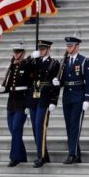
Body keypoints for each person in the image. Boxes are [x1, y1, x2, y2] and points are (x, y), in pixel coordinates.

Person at [0, 43, 33, 167]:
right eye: (15, 52)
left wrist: (29, 104)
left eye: (18, 52)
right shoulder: (12, 66)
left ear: (23, 53)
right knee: (13, 129)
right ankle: (22, 155)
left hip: (22, 102)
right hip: (11, 102)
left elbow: (30, 87)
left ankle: (15, 157)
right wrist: (2, 89)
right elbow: (10, 86)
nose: (16, 54)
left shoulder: (27, 65)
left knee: (17, 128)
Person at [60, 36, 89, 164]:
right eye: (67, 46)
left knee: (75, 126)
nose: (69, 48)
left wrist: (87, 99)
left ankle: (72, 154)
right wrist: (58, 82)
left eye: (71, 46)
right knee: (69, 126)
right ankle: (76, 153)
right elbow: (63, 79)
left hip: (78, 97)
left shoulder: (84, 61)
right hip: (67, 97)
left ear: (77, 46)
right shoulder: (64, 61)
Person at [29, 40, 61, 168]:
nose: (41, 51)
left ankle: (40, 157)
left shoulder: (54, 63)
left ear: (48, 49)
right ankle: (44, 154)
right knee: (34, 129)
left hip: (45, 99)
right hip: (33, 99)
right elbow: (25, 72)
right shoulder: (34, 61)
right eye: (39, 49)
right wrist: (30, 57)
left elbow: (56, 85)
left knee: (40, 127)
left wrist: (54, 101)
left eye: (43, 49)